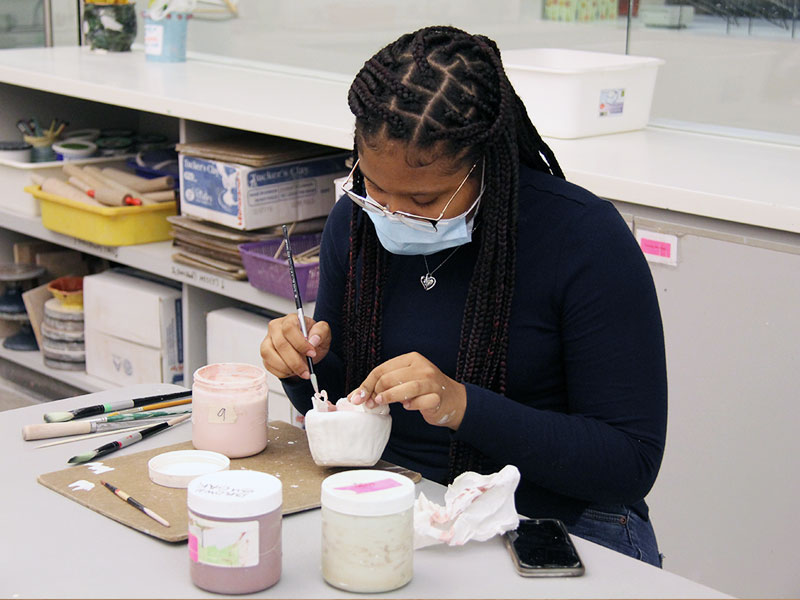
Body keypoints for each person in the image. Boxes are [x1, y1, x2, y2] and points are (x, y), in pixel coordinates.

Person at [261, 25, 667, 567]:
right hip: (404, 501)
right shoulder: (358, 224)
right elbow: (349, 399)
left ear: (487, 165)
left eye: (424, 198)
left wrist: (463, 405)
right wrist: (303, 367)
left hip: (554, 525)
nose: (391, 211)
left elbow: (628, 462)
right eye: (373, 186)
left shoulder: (583, 239)